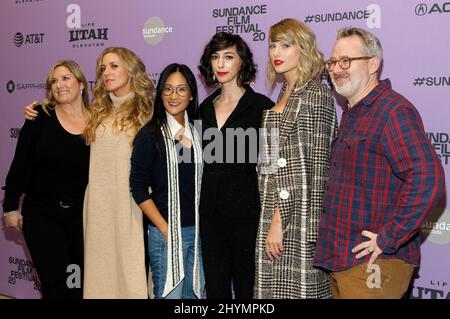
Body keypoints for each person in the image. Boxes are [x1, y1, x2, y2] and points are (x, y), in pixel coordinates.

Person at [313, 27, 446, 299]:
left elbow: (428, 178)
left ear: (373, 64)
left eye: (347, 61)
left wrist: (388, 237)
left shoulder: (392, 111)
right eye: (333, 62)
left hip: (374, 264)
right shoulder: (352, 114)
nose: (337, 69)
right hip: (343, 262)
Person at [24, 47, 154, 298]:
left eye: (114, 66)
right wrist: (38, 110)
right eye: (103, 68)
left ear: (130, 69)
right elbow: (65, 116)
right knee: (97, 278)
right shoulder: (97, 112)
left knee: (130, 275)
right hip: (96, 209)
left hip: (130, 208)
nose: (106, 72)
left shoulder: (147, 112)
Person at [254, 18, 337, 299]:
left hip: (298, 220)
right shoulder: (282, 93)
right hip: (268, 212)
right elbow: (268, 164)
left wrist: (279, 221)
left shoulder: (315, 95)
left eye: (285, 45)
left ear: (302, 49)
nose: (276, 52)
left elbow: (313, 170)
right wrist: (269, 218)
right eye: (272, 45)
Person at [2, 60, 90, 298]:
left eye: (65, 78)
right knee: (56, 286)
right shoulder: (39, 117)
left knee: (79, 285)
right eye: (54, 81)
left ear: (81, 84)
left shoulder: (98, 122)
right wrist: (10, 207)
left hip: (82, 218)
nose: (59, 85)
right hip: (42, 215)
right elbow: (20, 163)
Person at [198, 32, 274, 298]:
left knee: (247, 289)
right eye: (216, 57)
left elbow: (273, 166)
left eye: (228, 57)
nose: (221, 64)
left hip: (247, 214)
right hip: (209, 215)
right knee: (215, 291)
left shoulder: (262, 107)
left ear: (241, 62)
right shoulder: (203, 108)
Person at [130, 63, 204, 299]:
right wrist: (165, 229)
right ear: (160, 93)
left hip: (199, 234)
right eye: (168, 89)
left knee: (194, 299)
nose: (174, 96)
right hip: (166, 235)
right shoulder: (149, 135)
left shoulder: (201, 134)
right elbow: (138, 189)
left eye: (181, 90)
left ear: (191, 94)